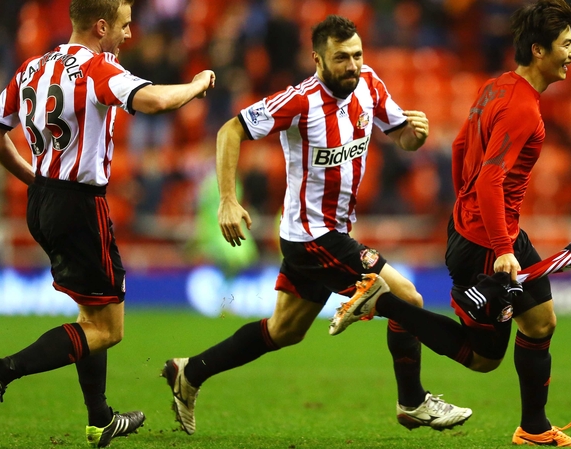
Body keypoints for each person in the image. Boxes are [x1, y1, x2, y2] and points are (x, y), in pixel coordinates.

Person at [161, 15, 471, 435]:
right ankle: (413, 402)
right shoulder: (300, 101)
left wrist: (414, 135)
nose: (352, 65)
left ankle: (190, 372)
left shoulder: (371, 85)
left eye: (357, 55)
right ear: (318, 59)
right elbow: (229, 131)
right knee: (409, 299)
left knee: (284, 331)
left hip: (330, 234)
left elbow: (401, 136)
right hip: (313, 236)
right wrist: (228, 200)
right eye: (341, 57)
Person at [331, 1, 571, 447]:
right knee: (484, 358)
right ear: (538, 49)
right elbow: (491, 178)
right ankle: (383, 302)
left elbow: (459, 148)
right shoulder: (523, 108)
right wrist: (500, 247)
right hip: (489, 242)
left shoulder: (496, 88)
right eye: (565, 44)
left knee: (541, 322)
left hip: (490, 229)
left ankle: (533, 429)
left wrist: (466, 207)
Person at [0, 0, 215, 447]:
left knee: (89, 314)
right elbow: (156, 100)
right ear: (101, 26)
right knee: (107, 330)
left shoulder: (32, 67)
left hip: (42, 200)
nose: (128, 34)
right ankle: (0, 371)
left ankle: (100, 418)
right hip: (80, 206)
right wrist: (197, 85)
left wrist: (36, 179)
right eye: (123, 26)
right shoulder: (98, 68)